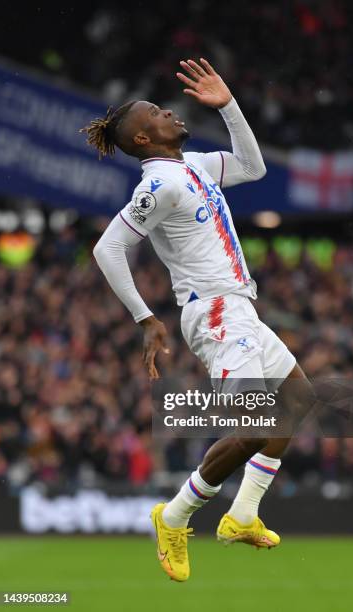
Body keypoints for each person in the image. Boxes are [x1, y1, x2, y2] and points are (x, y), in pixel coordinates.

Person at [80, 58, 313, 582]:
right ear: (143, 139)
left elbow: (253, 167)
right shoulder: (158, 185)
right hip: (213, 312)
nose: (169, 111)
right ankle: (175, 515)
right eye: (156, 113)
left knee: (297, 399)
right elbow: (108, 248)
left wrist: (229, 105)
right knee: (253, 427)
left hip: (240, 309)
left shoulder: (195, 167)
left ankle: (243, 514)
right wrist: (144, 317)